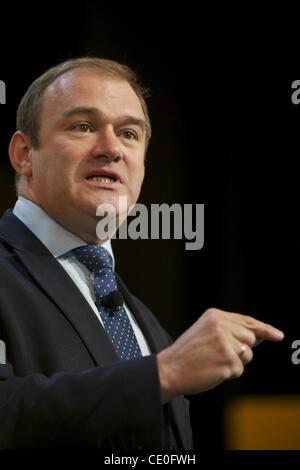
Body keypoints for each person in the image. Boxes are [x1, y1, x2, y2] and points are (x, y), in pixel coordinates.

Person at [0, 57, 284, 450]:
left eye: (130, 133)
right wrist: (163, 373)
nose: (112, 148)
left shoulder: (140, 317)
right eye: (83, 126)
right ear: (24, 153)